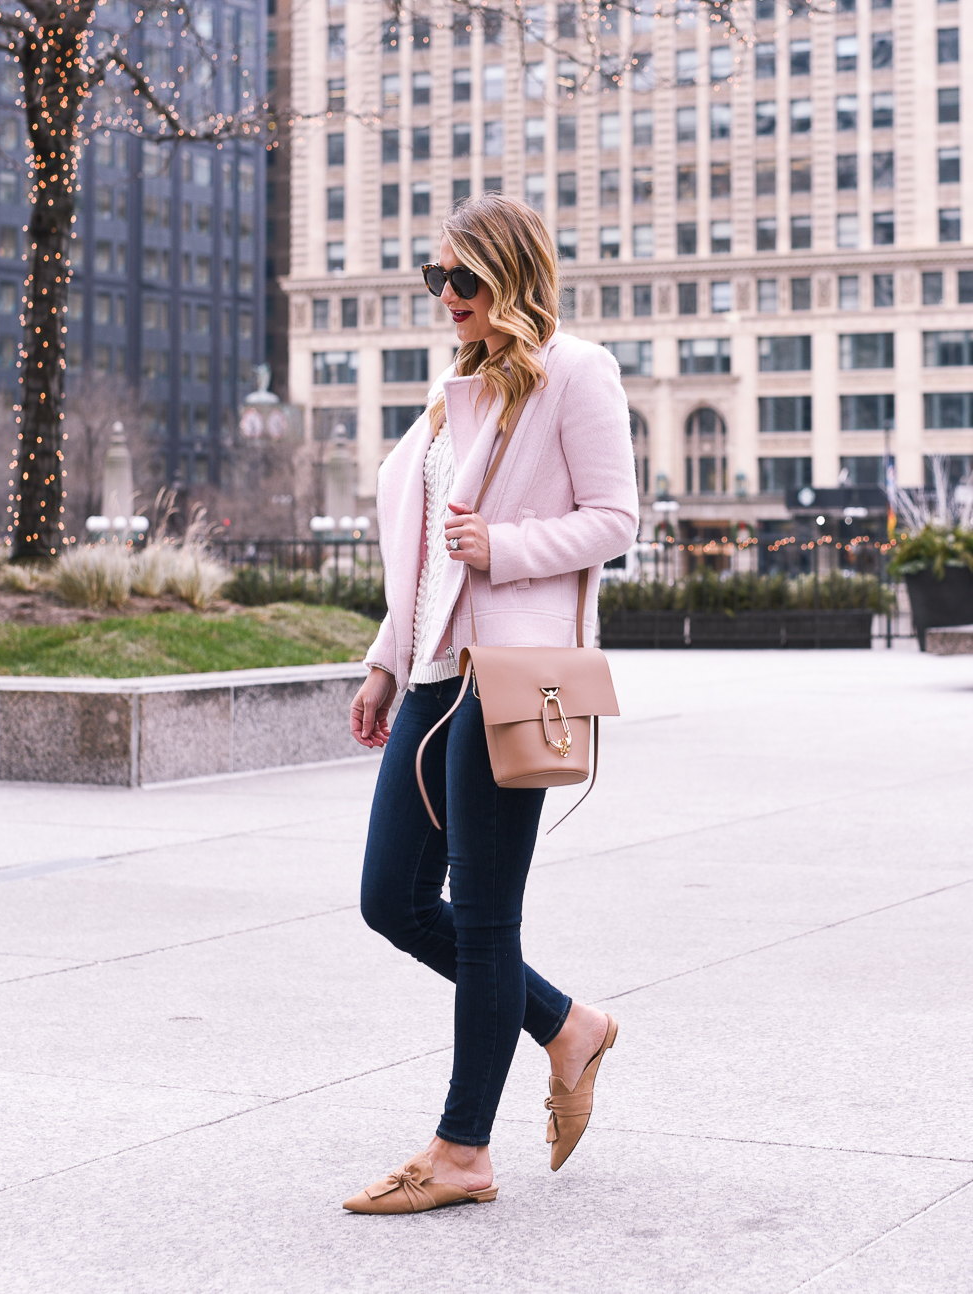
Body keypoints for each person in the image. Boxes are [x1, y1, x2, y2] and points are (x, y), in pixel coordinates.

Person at [343, 193, 639, 1215]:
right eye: (437, 279)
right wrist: (386, 658)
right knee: (390, 896)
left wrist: (506, 550)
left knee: (482, 916)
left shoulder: (576, 374)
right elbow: (426, 555)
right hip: (432, 673)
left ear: (513, 276)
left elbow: (616, 517)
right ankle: (568, 1025)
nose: (449, 297)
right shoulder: (451, 394)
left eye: (465, 279)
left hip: (511, 676)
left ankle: (463, 1148)